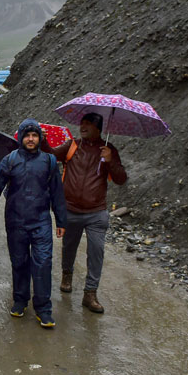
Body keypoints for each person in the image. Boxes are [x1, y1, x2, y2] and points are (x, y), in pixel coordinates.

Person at [0, 119, 66, 328]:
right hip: (16, 221)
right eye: (27, 135)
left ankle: (43, 308)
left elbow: (57, 193)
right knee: (19, 263)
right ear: (20, 137)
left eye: (34, 135)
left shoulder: (49, 161)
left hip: (41, 222)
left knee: (43, 263)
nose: (30, 139)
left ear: (39, 138)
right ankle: (20, 300)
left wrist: (61, 220)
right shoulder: (10, 160)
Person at [51, 112, 127, 313]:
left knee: (96, 251)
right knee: (69, 246)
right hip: (70, 209)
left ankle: (90, 293)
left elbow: (120, 179)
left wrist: (110, 160)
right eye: (82, 123)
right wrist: (41, 141)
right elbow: (50, 155)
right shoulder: (72, 145)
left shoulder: (109, 150)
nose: (83, 127)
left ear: (98, 128)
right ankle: (67, 275)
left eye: (88, 124)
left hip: (96, 212)